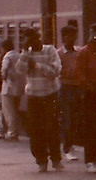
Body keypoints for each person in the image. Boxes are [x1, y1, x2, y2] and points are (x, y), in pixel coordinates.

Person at [16, 29, 62, 172]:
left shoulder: (50, 50)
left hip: (50, 94)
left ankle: (56, 158)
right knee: (35, 130)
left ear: (39, 38)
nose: (31, 43)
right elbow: (20, 70)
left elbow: (55, 71)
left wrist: (36, 65)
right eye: (28, 40)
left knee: (52, 127)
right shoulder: (27, 53)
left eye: (32, 39)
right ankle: (41, 160)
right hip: (33, 96)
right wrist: (24, 52)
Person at [74, 25, 96, 173]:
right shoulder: (84, 53)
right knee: (91, 126)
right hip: (91, 92)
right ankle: (90, 159)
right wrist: (88, 86)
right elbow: (79, 73)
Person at [57, 23, 82, 161]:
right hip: (65, 88)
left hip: (78, 88)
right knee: (67, 119)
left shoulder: (79, 52)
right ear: (63, 37)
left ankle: (70, 145)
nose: (72, 38)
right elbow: (58, 71)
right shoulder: (59, 54)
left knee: (75, 119)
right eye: (69, 36)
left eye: (74, 36)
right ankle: (67, 148)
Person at [0, 37, 24, 140]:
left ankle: (12, 133)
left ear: (4, 48)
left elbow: (4, 69)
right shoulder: (19, 55)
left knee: (9, 112)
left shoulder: (7, 57)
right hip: (18, 87)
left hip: (8, 88)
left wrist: (4, 77)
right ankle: (15, 131)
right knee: (15, 110)